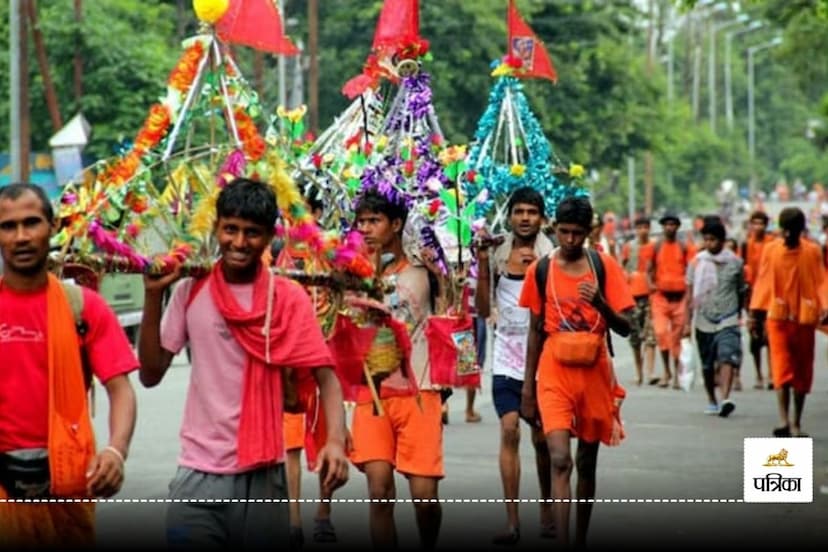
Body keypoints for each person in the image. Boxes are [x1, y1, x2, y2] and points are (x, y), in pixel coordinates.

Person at [137, 177, 349, 548]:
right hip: (197, 473)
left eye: (251, 233)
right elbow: (151, 374)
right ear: (216, 227)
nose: (238, 242)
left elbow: (326, 378)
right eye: (229, 229)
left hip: (264, 477)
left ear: (269, 237)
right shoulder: (191, 290)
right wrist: (152, 298)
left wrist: (334, 441)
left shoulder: (287, 297)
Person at [0, 183, 138, 547]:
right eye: (8, 226)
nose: (21, 236)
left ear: (53, 226)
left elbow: (120, 388)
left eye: (31, 223)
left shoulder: (83, 306)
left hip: (67, 489)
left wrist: (115, 451)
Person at [520, 196, 633, 548]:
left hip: (594, 370)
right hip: (553, 370)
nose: (570, 240)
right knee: (560, 459)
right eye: (564, 232)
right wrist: (527, 390)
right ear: (554, 229)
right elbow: (535, 330)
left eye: (577, 234)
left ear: (589, 232)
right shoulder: (540, 270)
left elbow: (627, 327)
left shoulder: (604, 266)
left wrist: (601, 303)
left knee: (586, 461)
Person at [349, 189, 443, 550]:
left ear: (397, 224)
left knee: (424, 497)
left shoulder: (425, 271)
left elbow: (452, 313)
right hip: (371, 392)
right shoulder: (352, 273)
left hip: (420, 389)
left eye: (375, 221)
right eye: (362, 222)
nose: (367, 229)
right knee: (379, 490)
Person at [475, 187, 555, 545]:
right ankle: (512, 521)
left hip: (542, 360)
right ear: (509, 216)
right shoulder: (495, 253)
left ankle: (548, 509)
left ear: (542, 217)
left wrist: (538, 273)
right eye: (519, 211)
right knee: (509, 430)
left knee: (541, 439)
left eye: (532, 212)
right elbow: (480, 308)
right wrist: (479, 263)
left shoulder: (553, 255)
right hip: (505, 357)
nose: (525, 217)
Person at [749, 207, 828, 438]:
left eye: (793, 231)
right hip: (778, 318)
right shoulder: (771, 251)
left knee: (802, 371)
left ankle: (796, 422)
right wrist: (755, 314)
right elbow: (763, 280)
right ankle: (783, 419)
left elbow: (821, 280)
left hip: (804, 319)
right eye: (786, 231)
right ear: (781, 230)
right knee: (781, 369)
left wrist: (825, 306)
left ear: (800, 230)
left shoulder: (812, 251)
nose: (788, 236)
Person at [685, 219, 746, 417]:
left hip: (728, 318)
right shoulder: (696, 263)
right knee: (707, 364)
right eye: (707, 239)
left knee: (727, 355)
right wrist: (687, 323)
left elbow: (742, 289)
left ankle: (725, 398)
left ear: (722, 240)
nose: (710, 244)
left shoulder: (735, 263)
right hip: (704, 319)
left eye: (713, 240)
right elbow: (689, 293)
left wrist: (743, 312)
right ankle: (712, 399)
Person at [649, 213, 696, 388]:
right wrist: (651, 285)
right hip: (660, 297)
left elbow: (691, 271)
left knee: (677, 338)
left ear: (677, 227)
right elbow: (649, 269)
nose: (670, 227)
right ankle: (666, 371)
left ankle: (676, 375)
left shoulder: (684, 247)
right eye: (667, 224)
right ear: (662, 227)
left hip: (680, 298)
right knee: (661, 333)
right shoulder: (657, 246)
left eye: (673, 224)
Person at [740, 211, 775, 390]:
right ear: (750, 225)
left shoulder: (773, 243)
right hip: (753, 297)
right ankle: (758, 374)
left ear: (766, 225)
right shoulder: (746, 245)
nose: (758, 227)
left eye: (761, 223)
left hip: (770, 295)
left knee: (770, 336)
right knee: (755, 337)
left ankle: (771, 374)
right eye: (755, 223)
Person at [620, 215, 657, 386]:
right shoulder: (629, 247)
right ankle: (639, 371)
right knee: (635, 337)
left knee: (650, 336)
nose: (643, 230)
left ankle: (650, 372)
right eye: (640, 227)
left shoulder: (655, 246)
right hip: (632, 295)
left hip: (650, 295)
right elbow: (623, 266)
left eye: (645, 227)